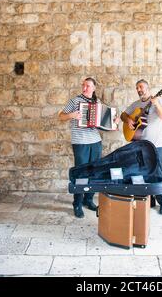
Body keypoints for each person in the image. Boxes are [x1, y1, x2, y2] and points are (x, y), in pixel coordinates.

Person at [120, 79, 162, 215]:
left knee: (158, 172)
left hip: (156, 144)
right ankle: (148, 200)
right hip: (140, 144)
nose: (139, 89)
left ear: (148, 88)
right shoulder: (136, 105)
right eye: (137, 88)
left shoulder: (156, 101)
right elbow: (123, 114)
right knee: (142, 172)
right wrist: (128, 120)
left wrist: (156, 104)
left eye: (141, 87)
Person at [59, 77, 102, 219]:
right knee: (81, 173)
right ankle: (77, 203)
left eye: (88, 86)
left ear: (94, 88)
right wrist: (72, 115)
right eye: (83, 85)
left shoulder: (98, 102)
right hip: (80, 142)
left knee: (94, 172)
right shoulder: (75, 101)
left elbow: (102, 122)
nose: (85, 88)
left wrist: (111, 122)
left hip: (95, 141)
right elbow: (61, 116)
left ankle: (88, 200)